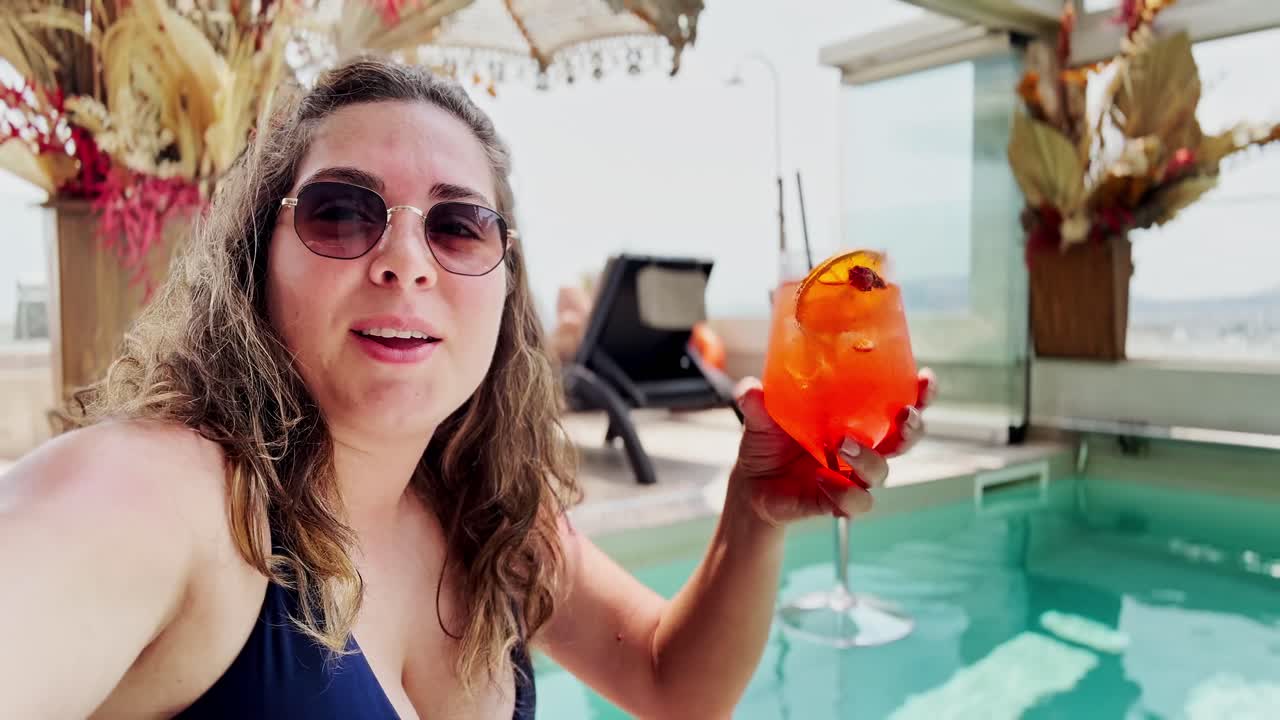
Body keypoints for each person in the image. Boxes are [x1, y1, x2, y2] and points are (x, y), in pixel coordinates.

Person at [0, 57, 933, 719]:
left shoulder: (490, 515)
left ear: (504, 283)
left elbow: (669, 683)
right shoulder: (174, 504)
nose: (405, 260)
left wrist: (752, 514)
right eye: (341, 211)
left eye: (458, 226)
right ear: (258, 262)